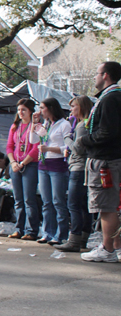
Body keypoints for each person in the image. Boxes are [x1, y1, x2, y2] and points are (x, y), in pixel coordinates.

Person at [79, 61, 121, 263]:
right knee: (109, 206)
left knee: (106, 207)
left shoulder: (110, 99)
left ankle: (107, 249)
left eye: (97, 73)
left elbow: (107, 131)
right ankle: (114, 247)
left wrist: (85, 140)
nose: (94, 77)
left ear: (105, 75)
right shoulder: (111, 98)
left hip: (105, 160)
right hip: (109, 159)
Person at [55, 95, 94, 252]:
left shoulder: (82, 127)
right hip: (82, 167)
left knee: (74, 204)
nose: (71, 110)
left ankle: (75, 238)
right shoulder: (82, 125)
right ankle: (83, 237)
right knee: (83, 205)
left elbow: (78, 148)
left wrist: (67, 140)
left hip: (79, 167)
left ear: (82, 108)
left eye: (74, 107)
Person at [30, 98, 71, 245]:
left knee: (58, 201)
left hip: (57, 164)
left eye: (42, 108)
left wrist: (48, 149)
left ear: (51, 108)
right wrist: (34, 123)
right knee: (46, 201)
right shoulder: (46, 125)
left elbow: (66, 148)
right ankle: (48, 232)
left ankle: (61, 234)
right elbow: (33, 140)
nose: (40, 111)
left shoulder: (64, 124)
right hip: (43, 164)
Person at [6, 99, 40, 240]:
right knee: (18, 199)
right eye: (19, 110)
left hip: (29, 165)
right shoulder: (15, 126)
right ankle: (19, 229)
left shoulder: (36, 126)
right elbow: (9, 146)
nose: (21, 112)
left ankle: (31, 231)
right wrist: (13, 162)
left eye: (24, 110)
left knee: (29, 199)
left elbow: (35, 149)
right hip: (15, 164)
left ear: (31, 111)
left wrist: (23, 163)